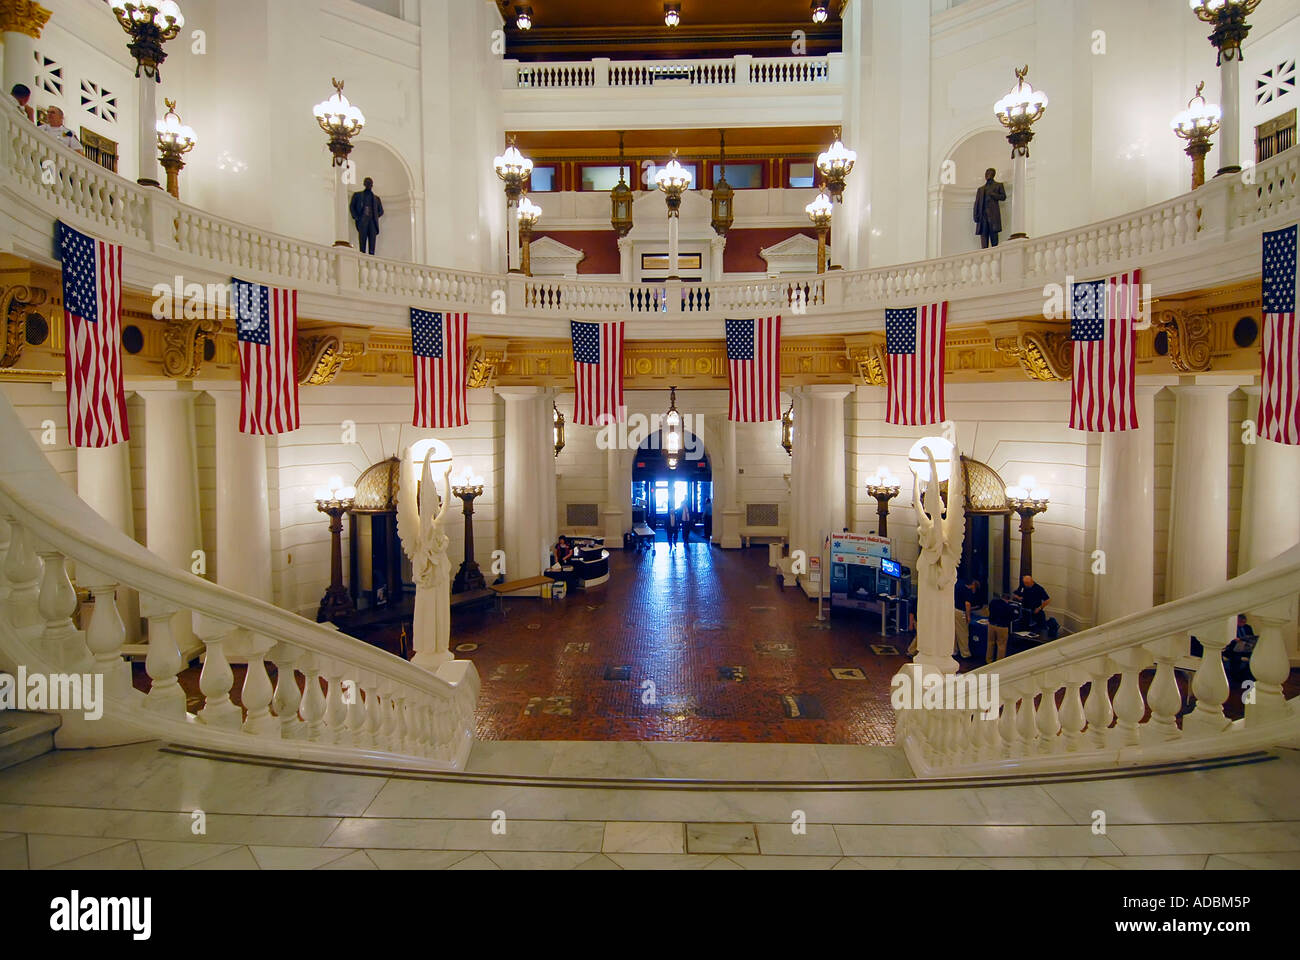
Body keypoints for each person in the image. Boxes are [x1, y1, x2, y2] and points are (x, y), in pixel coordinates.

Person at [1013, 574, 1058, 639]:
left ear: (1031, 582)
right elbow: (1015, 594)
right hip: (1025, 611)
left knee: (1039, 629)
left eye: (1026, 583)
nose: (1025, 584)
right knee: (1023, 628)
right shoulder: (1023, 586)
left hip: (1035, 611)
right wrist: (1018, 597)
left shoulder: (1039, 589)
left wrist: (1039, 608)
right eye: (1024, 583)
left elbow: (1047, 600)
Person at [349, 177, 384, 255]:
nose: (368, 185)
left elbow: (381, 211)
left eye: (370, 183)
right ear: (364, 184)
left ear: (372, 185)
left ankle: (371, 256)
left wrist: (374, 215)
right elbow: (352, 206)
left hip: (372, 222)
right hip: (362, 220)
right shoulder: (357, 195)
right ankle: (362, 254)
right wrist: (356, 217)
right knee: (362, 240)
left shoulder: (376, 199)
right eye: (367, 183)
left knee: (372, 242)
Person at [973, 167, 1006, 248]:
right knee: (984, 240)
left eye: (989, 173)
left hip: (993, 216)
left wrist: (993, 194)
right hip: (982, 217)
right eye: (986, 173)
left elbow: (1003, 197)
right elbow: (976, 203)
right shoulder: (981, 189)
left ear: (993, 174)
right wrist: (975, 215)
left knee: (994, 239)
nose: (987, 175)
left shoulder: (998, 185)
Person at [1223, 613, 1257, 685]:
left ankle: (1249, 676)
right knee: (1236, 658)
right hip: (1233, 649)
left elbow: (1251, 637)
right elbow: (1227, 640)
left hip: (1246, 648)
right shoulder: (1231, 628)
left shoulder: (1247, 627)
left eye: (1244, 622)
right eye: (1240, 622)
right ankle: (1236, 678)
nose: (1242, 623)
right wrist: (1234, 640)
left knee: (1255, 656)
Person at [954, 578, 978, 658]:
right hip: (961, 612)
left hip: (954, 610)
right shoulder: (967, 591)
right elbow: (967, 604)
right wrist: (968, 616)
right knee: (963, 633)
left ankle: (954, 651)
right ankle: (965, 653)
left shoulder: (958, 586)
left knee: (954, 632)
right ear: (973, 584)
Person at [986, 592, 1014, 663]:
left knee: (990, 643)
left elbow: (989, 610)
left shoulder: (993, 602)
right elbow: (1011, 618)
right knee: (1001, 645)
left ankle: (988, 660)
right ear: (1008, 599)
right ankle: (999, 663)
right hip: (1002, 627)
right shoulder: (1008, 607)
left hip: (991, 625)